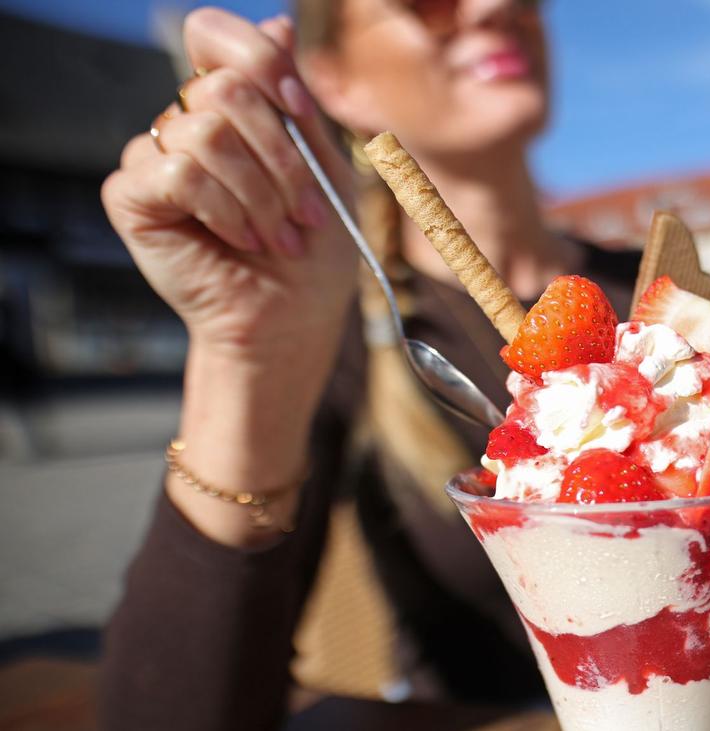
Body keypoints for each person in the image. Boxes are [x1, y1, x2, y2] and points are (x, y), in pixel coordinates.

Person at [97, 1, 641, 729]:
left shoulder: (662, 300)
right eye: (431, 3)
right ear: (334, 81)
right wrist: (249, 353)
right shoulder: (340, 326)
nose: (493, 8)